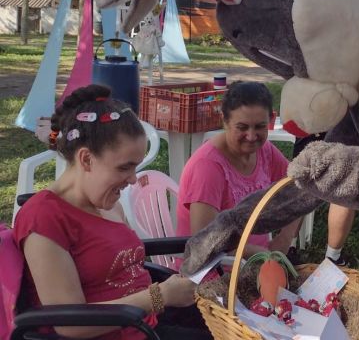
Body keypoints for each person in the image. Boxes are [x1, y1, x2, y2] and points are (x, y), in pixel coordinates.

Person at [13, 84, 211, 340]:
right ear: (86, 159)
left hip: (148, 322)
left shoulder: (108, 204)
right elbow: (69, 324)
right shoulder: (44, 218)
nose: (132, 180)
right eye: (124, 168)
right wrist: (159, 296)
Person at [176, 81, 301, 258]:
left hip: (257, 263)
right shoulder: (207, 167)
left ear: (271, 120)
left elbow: (298, 185)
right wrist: (258, 254)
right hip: (214, 272)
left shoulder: (264, 150)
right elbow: (204, 245)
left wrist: (285, 237)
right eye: (242, 128)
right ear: (225, 122)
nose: (251, 136)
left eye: (260, 126)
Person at [292, 133, 355, 267]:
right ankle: (333, 258)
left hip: (308, 121)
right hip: (342, 120)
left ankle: (287, 249)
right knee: (343, 187)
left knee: (300, 182)